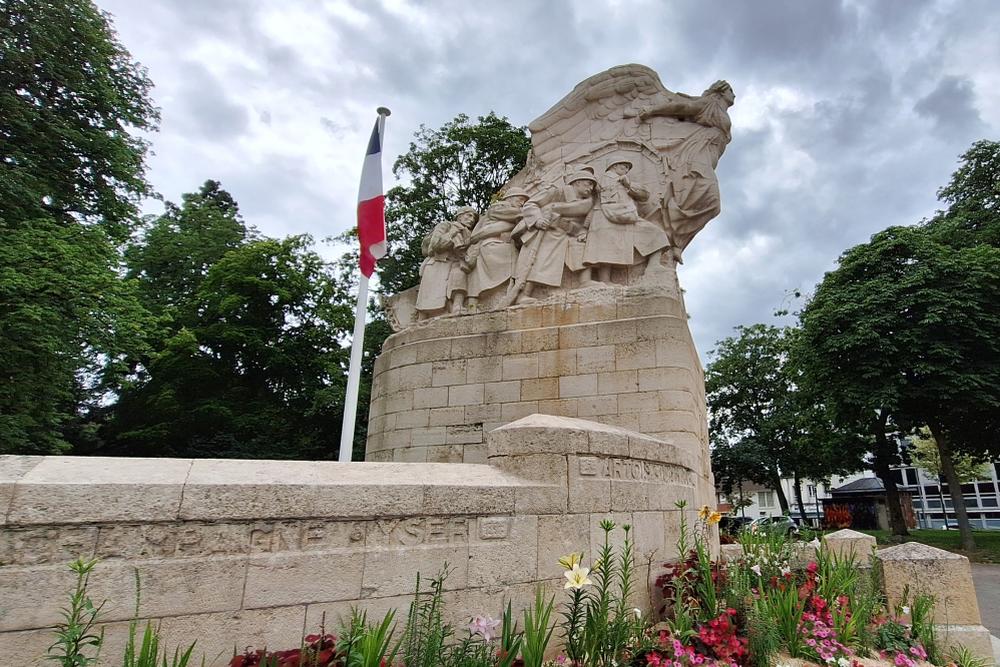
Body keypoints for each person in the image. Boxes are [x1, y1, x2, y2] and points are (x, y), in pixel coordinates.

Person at [636, 80, 734, 263]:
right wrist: (652, 111)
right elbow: (683, 107)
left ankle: (674, 240)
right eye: (730, 91)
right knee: (712, 201)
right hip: (696, 155)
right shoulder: (709, 104)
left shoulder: (719, 111)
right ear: (720, 92)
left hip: (707, 154)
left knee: (710, 204)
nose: (734, 95)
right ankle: (668, 235)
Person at [505, 172, 598, 305]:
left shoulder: (586, 203)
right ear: (577, 182)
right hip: (543, 231)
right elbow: (530, 204)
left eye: (593, 185)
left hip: (565, 232)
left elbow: (581, 224)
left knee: (581, 245)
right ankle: (524, 294)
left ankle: (585, 281)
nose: (591, 188)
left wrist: (580, 232)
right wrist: (537, 220)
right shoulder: (556, 191)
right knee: (538, 258)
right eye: (588, 184)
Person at [582, 159, 669, 283]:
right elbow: (591, 201)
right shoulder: (599, 181)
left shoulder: (626, 181)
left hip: (628, 216)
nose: (627, 170)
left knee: (655, 232)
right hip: (603, 216)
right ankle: (605, 281)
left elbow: (645, 196)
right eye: (624, 166)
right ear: (614, 165)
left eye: (628, 168)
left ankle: (653, 266)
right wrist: (585, 227)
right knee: (605, 250)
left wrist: (629, 185)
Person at [464, 189, 528, 307]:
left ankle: (514, 292)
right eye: (520, 200)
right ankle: (515, 293)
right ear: (510, 198)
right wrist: (532, 210)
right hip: (491, 245)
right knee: (521, 260)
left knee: (518, 258)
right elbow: (516, 214)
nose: (522, 203)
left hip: (496, 244)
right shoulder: (499, 207)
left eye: (524, 202)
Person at [414, 206, 478, 317]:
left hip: (455, 262)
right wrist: (453, 233)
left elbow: (470, 254)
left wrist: (464, 256)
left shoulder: (469, 234)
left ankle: (457, 306)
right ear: (459, 216)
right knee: (428, 303)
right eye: (469, 215)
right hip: (438, 263)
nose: (471, 219)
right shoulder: (445, 226)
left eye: (473, 217)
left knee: (459, 273)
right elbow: (435, 245)